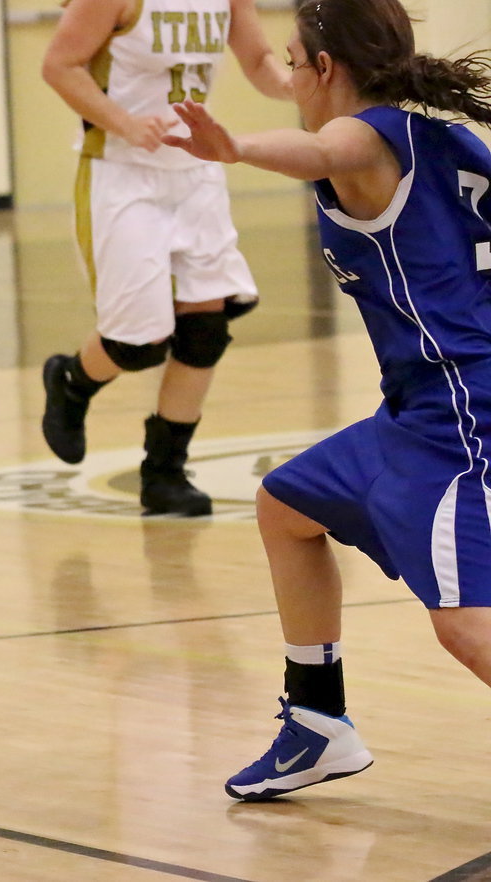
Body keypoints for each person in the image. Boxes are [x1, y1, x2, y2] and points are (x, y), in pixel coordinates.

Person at [162, 0, 491, 799]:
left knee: (463, 621)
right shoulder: (443, 137)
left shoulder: (363, 140)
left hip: (460, 411)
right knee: (287, 503)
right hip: (418, 405)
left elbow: (318, 144)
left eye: (291, 58)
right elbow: (296, 100)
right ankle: (318, 725)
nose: (282, 72)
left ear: (326, 70)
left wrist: (235, 146)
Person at [39, 0, 291, 516]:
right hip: (123, 173)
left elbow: (260, 61)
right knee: (138, 344)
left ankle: (164, 472)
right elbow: (59, 66)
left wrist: (300, 86)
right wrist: (124, 122)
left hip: (197, 173)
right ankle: (71, 380)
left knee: (206, 328)